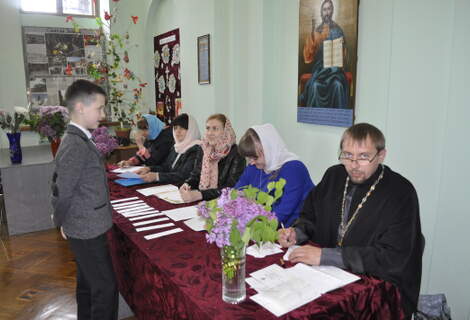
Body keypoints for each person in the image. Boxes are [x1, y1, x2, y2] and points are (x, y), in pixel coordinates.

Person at [279, 123, 424, 318]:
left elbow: (392, 256)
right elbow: (310, 216)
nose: (354, 165)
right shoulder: (334, 175)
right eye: (347, 155)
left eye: (364, 156)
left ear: (381, 155)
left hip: (375, 287)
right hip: (326, 277)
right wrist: (297, 233)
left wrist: (325, 256)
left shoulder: (400, 192)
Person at [51, 79, 118, 319]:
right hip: (86, 229)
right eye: (99, 108)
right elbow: (62, 190)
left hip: (88, 225)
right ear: (80, 107)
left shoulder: (80, 139)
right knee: (105, 288)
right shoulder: (75, 144)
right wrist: (61, 222)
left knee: (88, 284)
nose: (103, 114)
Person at [235, 124, 314, 227]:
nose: (251, 162)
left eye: (255, 157)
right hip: (263, 227)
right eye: (248, 158)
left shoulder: (293, 169)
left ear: (269, 148)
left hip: (294, 232)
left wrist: (254, 207)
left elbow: (281, 215)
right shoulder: (254, 167)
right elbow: (236, 193)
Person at [179, 113, 245, 202]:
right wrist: (187, 184)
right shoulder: (204, 148)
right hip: (203, 200)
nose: (210, 133)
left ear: (225, 131)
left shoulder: (237, 153)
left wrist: (201, 195)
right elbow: (195, 175)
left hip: (224, 203)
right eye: (208, 128)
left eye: (215, 129)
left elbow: (231, 188)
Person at [298, 0, 349, 108]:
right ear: (321, 12)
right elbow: (307, 58)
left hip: (335, 71)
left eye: (329, 9)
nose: (327, 12)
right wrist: (312, 39)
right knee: (315, 86)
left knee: (338, 86)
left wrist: (341, 48)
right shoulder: (317, 31)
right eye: (324, 9)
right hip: (320, 70)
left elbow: (344, 58)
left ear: (332, 11)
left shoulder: (339, 30)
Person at [136, 113, 202, 186]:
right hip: (170, 188)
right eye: (175, 128)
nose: (178, 131)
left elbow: (184, 176)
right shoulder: (176, 146)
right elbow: (166, 167)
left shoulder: (196, 149)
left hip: (185, 191)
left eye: (182, 128)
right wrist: (149, 169)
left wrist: (157, 176)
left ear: (191, 129)